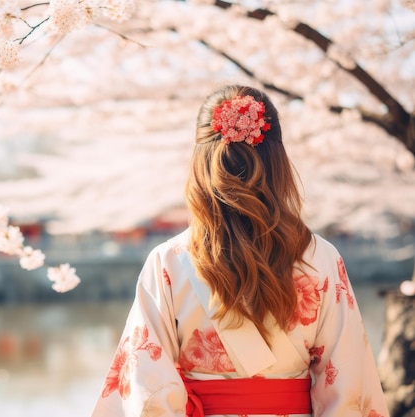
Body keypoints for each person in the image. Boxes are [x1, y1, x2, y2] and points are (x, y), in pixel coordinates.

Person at [90, 85, 389, 417]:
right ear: (278, 162)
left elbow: (146, 390)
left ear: (200, 163)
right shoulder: (321, 258)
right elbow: (348, 386)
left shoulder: (169, 262)